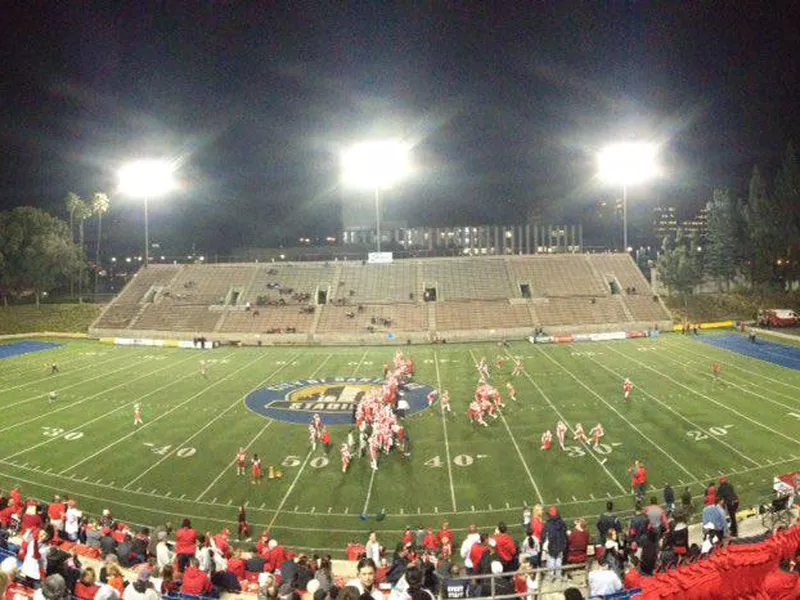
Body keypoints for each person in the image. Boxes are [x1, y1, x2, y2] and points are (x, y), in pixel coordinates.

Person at [541, 506, 567, 582]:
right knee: (559, 561)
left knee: (551, 561)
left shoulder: (548, 525)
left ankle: (551, 577)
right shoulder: (562, 523)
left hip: (551, 546)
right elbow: (565, 534)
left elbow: (544, 536)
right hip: (560, 545)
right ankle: (559, 576)